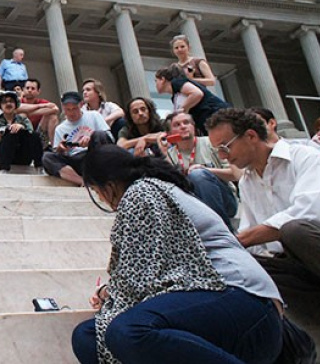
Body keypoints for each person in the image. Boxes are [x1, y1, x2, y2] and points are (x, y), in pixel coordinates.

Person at [71, 144, 283, 364]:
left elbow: (137, 280)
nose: (101, 198)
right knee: (89, 337)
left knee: (128, 331)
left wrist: (108, 294)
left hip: (242, 300)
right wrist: (109, 292)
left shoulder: (142, 193)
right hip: (215, 309)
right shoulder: (154, 190)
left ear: (109, 186)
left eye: (97, 191)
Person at [206, 108, 320, 293]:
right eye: (218, 151)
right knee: (245, 268)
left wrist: (241, 239)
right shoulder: (247, 182)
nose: (223, 157)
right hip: (290, 263)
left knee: (294, 230)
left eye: (225, 147)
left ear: (251, 136)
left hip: (318, 244)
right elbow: (249, 231)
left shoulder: (305, 156)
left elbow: (311, 212)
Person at [160, 111, 238, 230]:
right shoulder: (170, 155)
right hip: (193, 204)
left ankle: (222, 230)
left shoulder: (211, 143)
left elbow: (234, 175)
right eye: (177, 125)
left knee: (198, 175)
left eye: (186, 122)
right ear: (170, 133)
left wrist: (206, 170)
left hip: (224, 201)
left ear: (193, 127)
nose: (183, 126)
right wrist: (164, 155)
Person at [42, 91, 112, 185]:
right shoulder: (60, 128)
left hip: (94, 155)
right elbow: (58, 152)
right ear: (63, 108)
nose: (71, 113)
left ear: (81, 105)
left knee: (100, 134)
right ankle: (83, 182)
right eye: (68, 109)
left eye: (74, 108)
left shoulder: (94, 116)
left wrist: (92, 138)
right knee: (47, 157)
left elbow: (108, 137)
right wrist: (61, 149)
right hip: (75, 160)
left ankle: (102, 176)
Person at [155, 65, 229, 134]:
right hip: (207, 121)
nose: (156, 84)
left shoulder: (177, 83)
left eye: (156, 81)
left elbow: (197, 93)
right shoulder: (175, 96)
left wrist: (183, 109)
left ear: (162, 79)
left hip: (216, 114)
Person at [0, 91, 43, 174]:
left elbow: (32, 137)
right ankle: (4, 170)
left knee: (34, 135)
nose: (8, 104)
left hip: (21, 156)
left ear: (15, 104)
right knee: (9, 135)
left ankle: (39, 167)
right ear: (0, 106)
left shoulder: (23, 120)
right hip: (0, 156)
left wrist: (22, 127)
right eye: (4, 102)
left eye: (11, 101)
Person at [17, 78, 59, 146]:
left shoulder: (42, 101)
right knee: (22, 114)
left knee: (52, 116)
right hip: (22, 138)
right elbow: (17, 108)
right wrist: (41, 107)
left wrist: (30, 112)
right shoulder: (17, 102)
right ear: (23, 90)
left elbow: (55, 109)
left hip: (39, 137)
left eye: (33, 88)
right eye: (27, 88)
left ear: (38, 91)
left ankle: (55, 147)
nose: (30, 90)